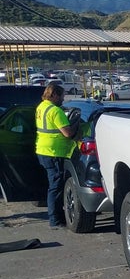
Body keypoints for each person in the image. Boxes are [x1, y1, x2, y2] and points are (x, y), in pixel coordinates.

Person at [35, 82, 77, 229]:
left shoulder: (41, 107)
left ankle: (56, 218)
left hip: (43, 150)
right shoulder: (56, 111)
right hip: (54, 152)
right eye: (61, 96)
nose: (63, 99)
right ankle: (55, 220)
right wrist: (75, 124)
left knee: (54, 185)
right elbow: (67, 133)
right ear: (54, 95)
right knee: (56, 187)